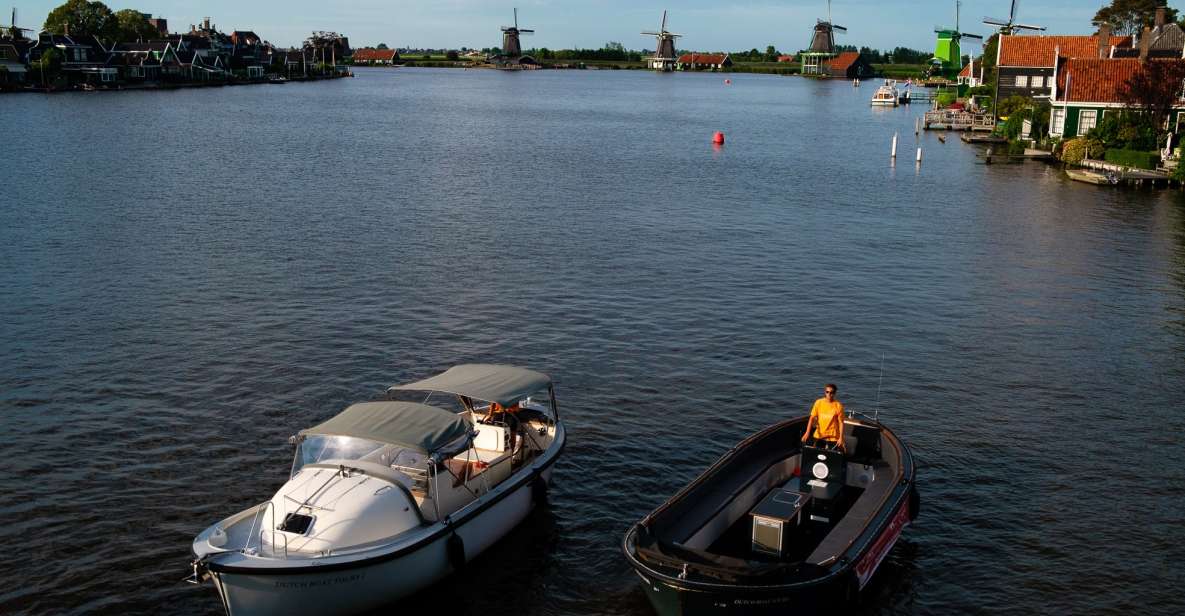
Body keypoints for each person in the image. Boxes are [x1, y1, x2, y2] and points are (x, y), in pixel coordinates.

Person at [801, 383, 846, 452]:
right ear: (825, 392)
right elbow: (811, 418)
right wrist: (807, 433)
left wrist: (841, 438)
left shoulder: (838, 406)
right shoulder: (819, 403)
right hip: (819, 435)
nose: (829, 394)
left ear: (834, 393)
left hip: (833, 437)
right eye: (827, 392)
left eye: (832, 392)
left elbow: (841, 423)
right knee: (816, 455)